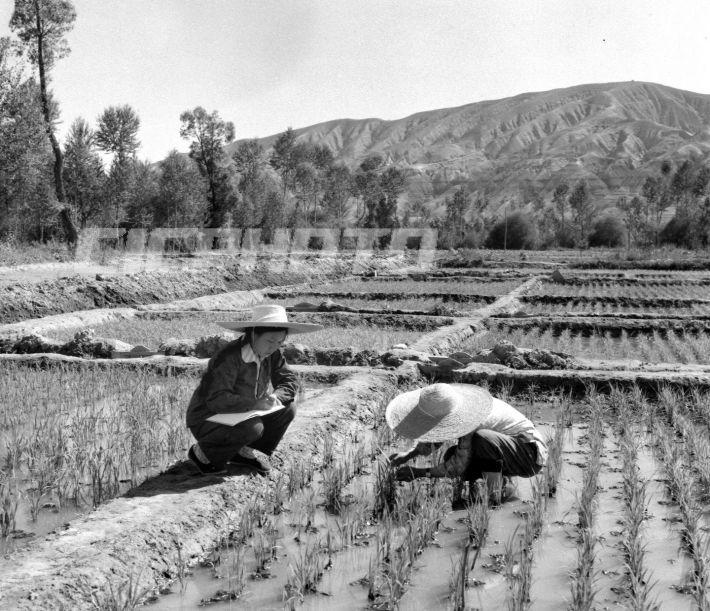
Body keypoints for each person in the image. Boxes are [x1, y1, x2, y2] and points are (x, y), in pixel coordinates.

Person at [186, 304, 322, 475]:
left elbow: (290, 380)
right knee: (252, 428)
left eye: (280, 342)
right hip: (207, 418)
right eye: (270, 341)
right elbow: (216, 399)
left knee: (288, 409)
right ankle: (203, 453)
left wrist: (276, 397)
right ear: (253, 334)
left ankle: (242, 451)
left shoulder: (273, 354)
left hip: (243, 413)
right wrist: (254, 403)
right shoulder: (229, 356)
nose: (274, 346)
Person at [386, 383, 547, 506]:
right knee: (452, 453)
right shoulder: (453, 407)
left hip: (529, 455)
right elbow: (436, 437)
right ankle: (501, 489)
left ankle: (494, 499)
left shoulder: (472, 419)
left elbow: (458, 466)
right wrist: (409, 455)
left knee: (482, 439)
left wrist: (419, 473)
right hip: (510, 449)